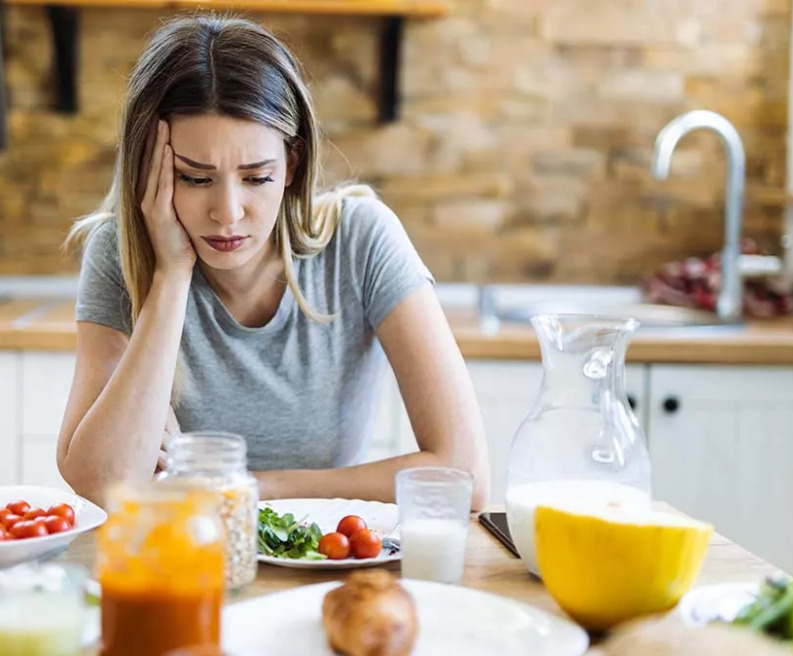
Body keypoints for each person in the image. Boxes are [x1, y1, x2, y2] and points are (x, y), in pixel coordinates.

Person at [56, 13, 490, 510]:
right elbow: (102, 484)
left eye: (256, 177)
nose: (227, 213)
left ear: (292, 164)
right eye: (194, 178)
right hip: (179, 563)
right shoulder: (120, 252)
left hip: (321, 560)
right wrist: (170, 278)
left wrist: (243, 487)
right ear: (147, 169)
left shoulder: (361, 239)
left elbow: (466, 475)